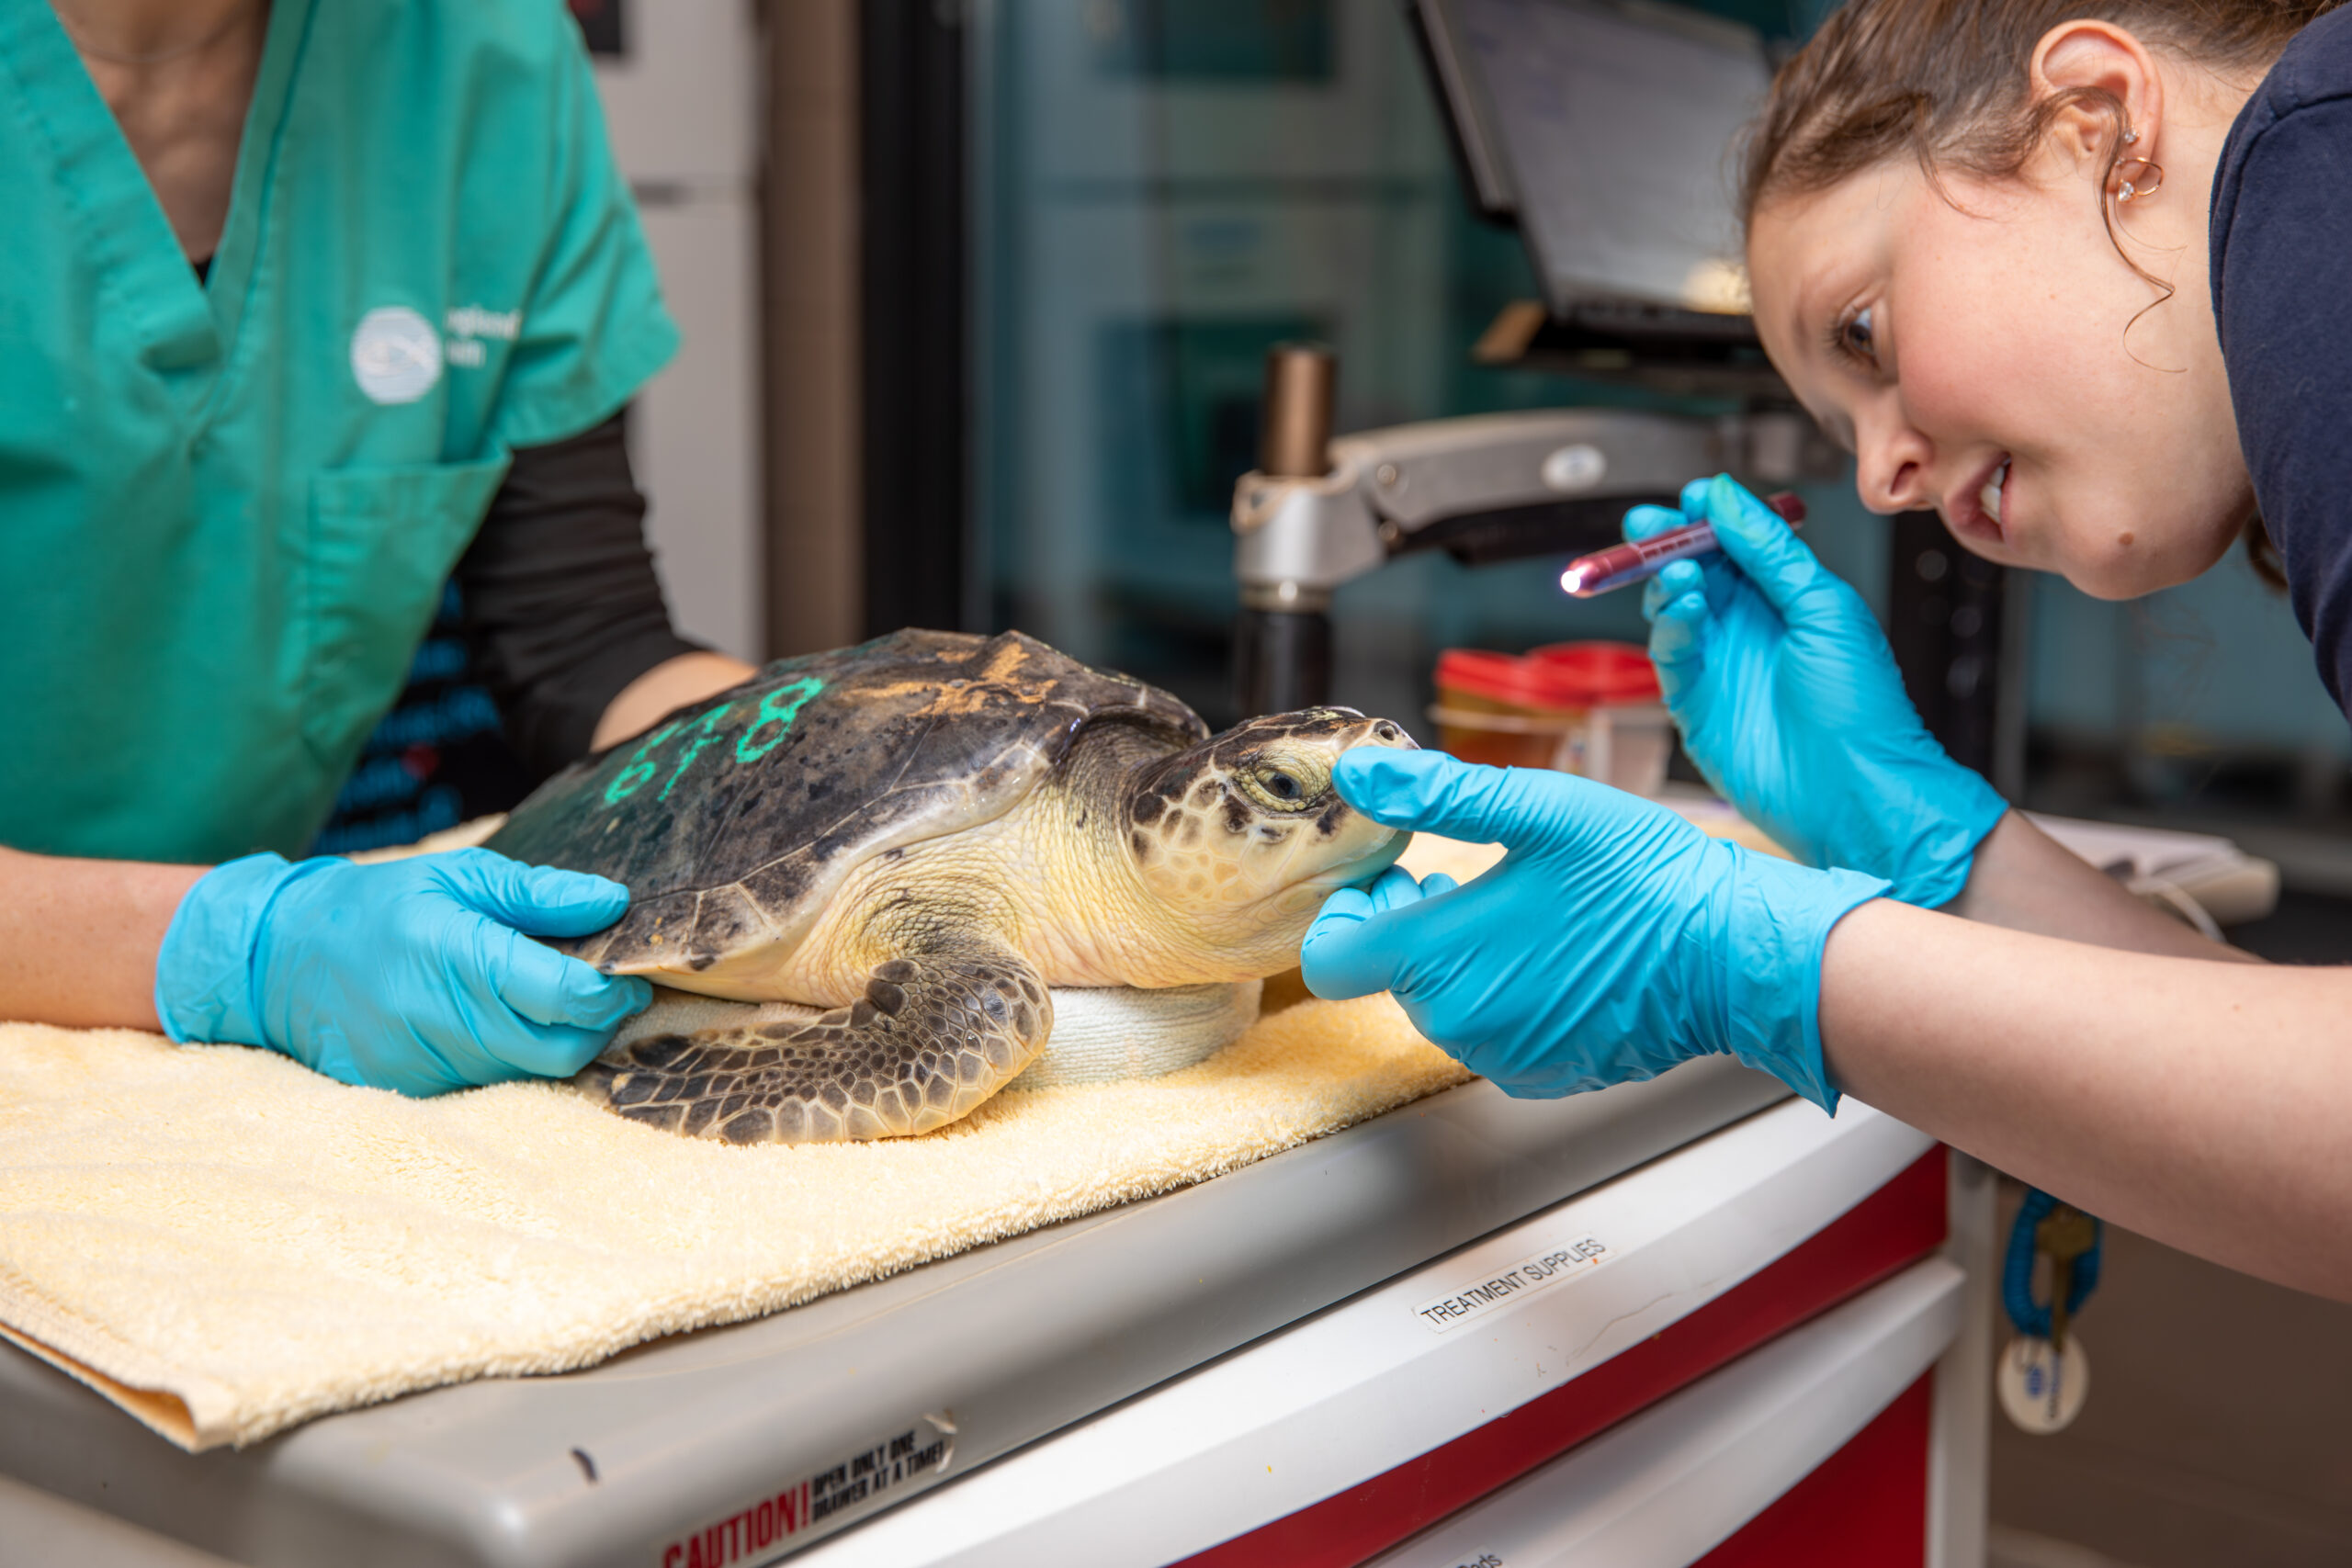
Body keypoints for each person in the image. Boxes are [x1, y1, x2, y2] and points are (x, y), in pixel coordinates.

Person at [1303, 0, 2352, 1303]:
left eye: (1864, 333)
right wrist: (1936, 843)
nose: (1881, 475)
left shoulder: (2324, 184)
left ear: (2098, 121)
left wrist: (1746, 959)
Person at [0, 0, 757, 1094]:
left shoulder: (476, 54)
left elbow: (588, 643)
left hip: (212, 1066)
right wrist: (245, 952)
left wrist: (847, 778)